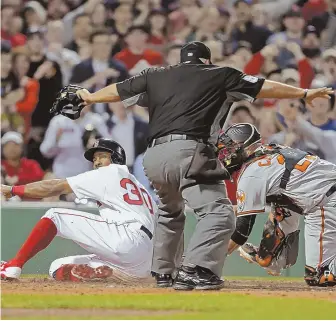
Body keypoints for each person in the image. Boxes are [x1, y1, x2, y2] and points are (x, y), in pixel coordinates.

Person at [75, 41, 332, 291]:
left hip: (152, 156)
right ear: (207, 60)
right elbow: (264, 86)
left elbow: (119, 90)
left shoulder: (156, 75)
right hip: (190, 150)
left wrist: (89, 97)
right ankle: (197, 269)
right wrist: (303, 93)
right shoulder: (219, 74)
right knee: (219, 213)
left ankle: (164, 272)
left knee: (169, 211)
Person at [1, 138, 155, 282]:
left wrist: (14, 190)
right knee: (57, 267)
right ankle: (96, 274)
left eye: (102, 156)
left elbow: (54, 187)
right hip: (143, 260)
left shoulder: (109, 172)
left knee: (55, 216)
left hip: (126, 237)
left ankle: (14, 265)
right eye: (95, 159)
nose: (97, 162)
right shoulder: (142, 188)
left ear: (116, 158)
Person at [218, 123, 336, 287]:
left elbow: (242, 231)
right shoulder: (272, 150)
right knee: (282, 208)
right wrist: (265, 256)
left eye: (229, 149)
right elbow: (285, 198)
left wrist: (213, 258)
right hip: (322, 196)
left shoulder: (251, 173)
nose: (225, 155)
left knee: (321, 276)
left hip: (327, 199)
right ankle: (271, 258)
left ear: (244, 147)